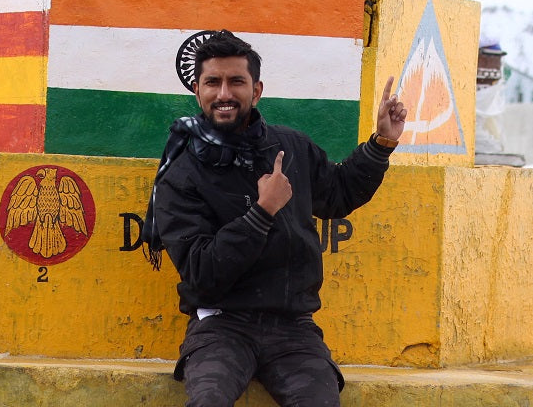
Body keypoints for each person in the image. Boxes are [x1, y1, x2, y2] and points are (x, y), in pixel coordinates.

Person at [141, 29, 407, 407]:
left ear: (257, 90)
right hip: (220, 325)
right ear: (198, 91)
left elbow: (338, 194)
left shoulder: (292, 147)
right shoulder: (181, 173)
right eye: (212, 82)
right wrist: (262, 212)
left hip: (293, 327)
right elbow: (201, 272)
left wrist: (381, 143)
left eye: (237, 81)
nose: (224, 94)